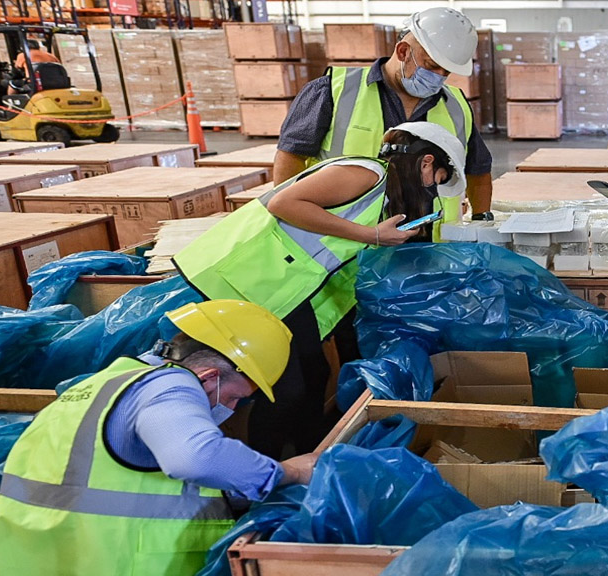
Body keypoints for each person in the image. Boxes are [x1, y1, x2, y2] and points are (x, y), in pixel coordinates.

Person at [173, 121, 466, 459]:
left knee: (315, 376)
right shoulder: (366, 173)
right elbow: (283, 203)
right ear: (426, 162)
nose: (432, 189)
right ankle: (264, 472)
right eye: (438, 180)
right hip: (247, 276)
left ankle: (310, 456)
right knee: (287, 389)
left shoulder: (385, 195)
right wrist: (370, 235)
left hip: (280, 287)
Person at [0, 300, 318, 575]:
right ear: (209, 378)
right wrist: (290, 472)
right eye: (236, 398)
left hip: (36, 555)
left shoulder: (104, 383)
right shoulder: (171, 387)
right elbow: (197, 457)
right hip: (108, 562)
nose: (232, 410)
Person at [274, 7, 494, 231]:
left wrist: (482, 222)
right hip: (346, 245)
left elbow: (478, 169)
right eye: (431, 65)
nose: (438, 77)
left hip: (431, 248)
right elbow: (291, 156)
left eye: (446, 72)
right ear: (403, 51)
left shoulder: (456, 105)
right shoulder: (334, 90)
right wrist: (291, 224)